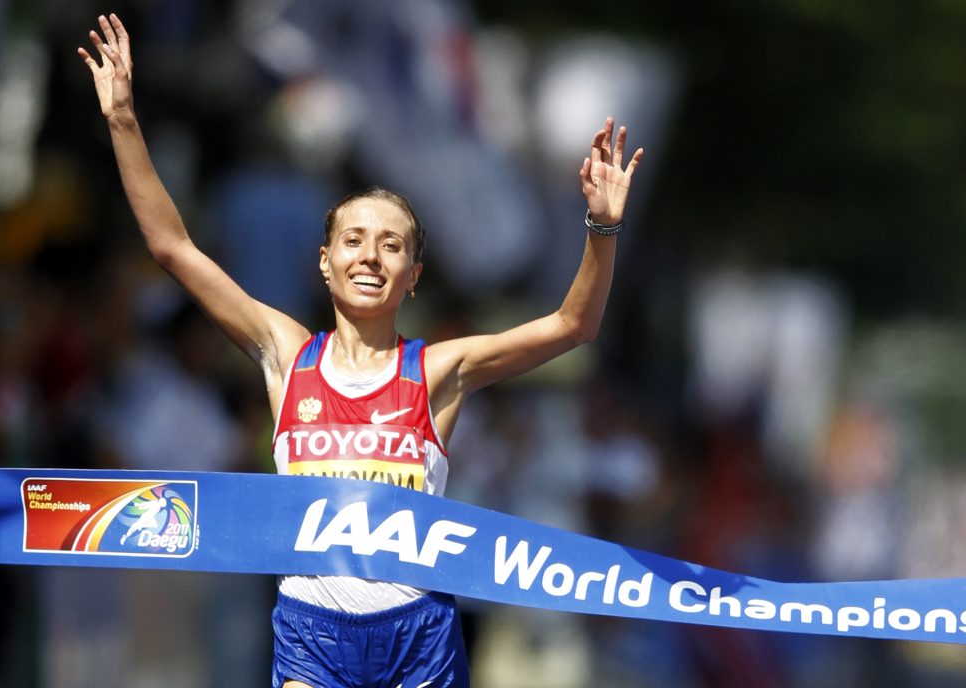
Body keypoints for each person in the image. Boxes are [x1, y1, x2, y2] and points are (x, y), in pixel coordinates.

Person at [78, 13, 643, 688]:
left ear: (413, 275)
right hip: (313, 634)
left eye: (391, 244)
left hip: (419, 635)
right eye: (353, 240)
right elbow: (173, 248)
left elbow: (573, 325)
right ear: (324, 263)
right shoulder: (287, 354)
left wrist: (601, 227)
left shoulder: (437, 371)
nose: (370, 256)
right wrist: (122, 122)